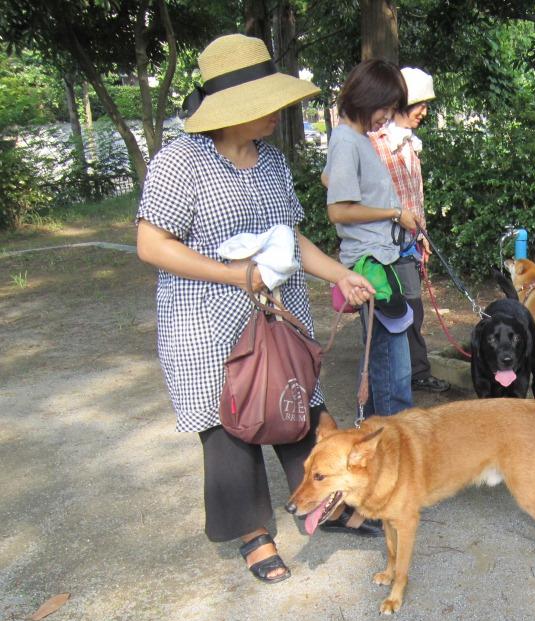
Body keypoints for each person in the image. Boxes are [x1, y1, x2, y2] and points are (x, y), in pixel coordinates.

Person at [135, 34, 376, 582]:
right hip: (207, 322)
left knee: (296, 406)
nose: (277, 112)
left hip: (277, 315)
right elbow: (152, 244)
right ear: (231, 108)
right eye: (265, 103)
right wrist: (235, 275)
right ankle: (253, 532)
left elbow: (292, 237)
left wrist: (341, 274)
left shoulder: (272, 161)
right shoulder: (180, 162)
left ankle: (325, 500)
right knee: (228, 424)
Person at [319, 59, 418, 533]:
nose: (388, 116)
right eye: (386, 107)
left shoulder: (353, 140)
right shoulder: (346, 139)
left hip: (383, 260)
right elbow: (338, 209)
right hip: (371, 267)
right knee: (391, 375)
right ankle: (389, 485)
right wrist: (395, 212)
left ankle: (385, 481)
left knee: (391, 370)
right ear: (369, 99)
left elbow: (333, 183)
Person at [369, 66, 450, 394]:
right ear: (404, 101)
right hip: (382, 247)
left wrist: (422, 235)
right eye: (421, 104)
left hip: (408, 244)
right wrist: (394, 216)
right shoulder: (376, 142)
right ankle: (401, 377)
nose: (425, 112)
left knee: (412, 309)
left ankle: (413, 371)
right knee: (395, 311)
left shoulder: (408, 145)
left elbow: (415, 197)